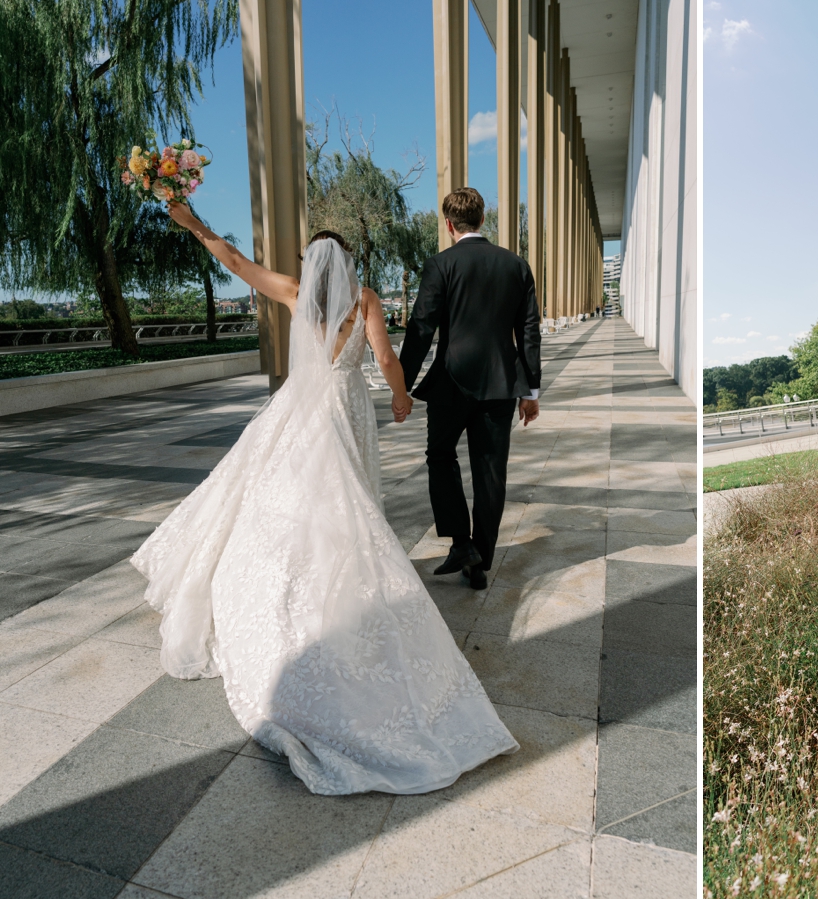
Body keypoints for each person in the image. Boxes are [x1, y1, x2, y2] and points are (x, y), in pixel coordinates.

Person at [132, 203, 519, 796]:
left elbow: (233, 259)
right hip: (347, 414)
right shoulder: (362, 299)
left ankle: (291, 583)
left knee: (289, 502)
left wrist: (195, 223)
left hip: (297, 414)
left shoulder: (292, 292)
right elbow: (387, 357)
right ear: (346, 263)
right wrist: (402, 397)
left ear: (309, 265)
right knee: (350, 504)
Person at [397, 187, 542, 591]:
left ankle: (462, 543)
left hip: (450, 382)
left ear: (448, 224)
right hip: (501, 383)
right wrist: (530, 391)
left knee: (440, 457)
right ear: (483, 220)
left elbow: (421, 328)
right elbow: (529, 331)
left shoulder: (440, 265)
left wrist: (402, 387)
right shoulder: (515, 265)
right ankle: (480, 563)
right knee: (491, 472)